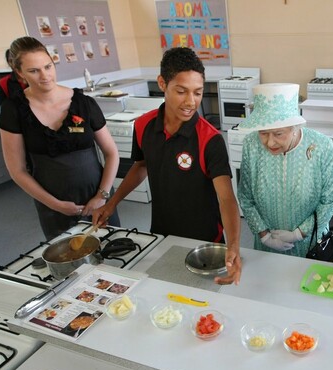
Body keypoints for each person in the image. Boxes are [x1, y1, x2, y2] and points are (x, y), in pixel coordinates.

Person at [92, 47, 242, 285]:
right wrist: (112, 203)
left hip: (204, 239)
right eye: (181, 91)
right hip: (161, 231)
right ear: (162, 83)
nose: (190, 102)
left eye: (198, 93)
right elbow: (141, 166)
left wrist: (233, 245)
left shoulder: (209, 139)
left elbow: (226, 198)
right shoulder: (143, 125)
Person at [0, 36, 120, 240]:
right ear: (19, 73)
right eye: (34, 71)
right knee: (68, 259)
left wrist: (102, 196)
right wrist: (55, 205)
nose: (44, 76)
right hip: (52, 204)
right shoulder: (13, 111)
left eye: (48, 66)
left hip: (98, 197)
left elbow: (111, 153)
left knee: (112, 248)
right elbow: (17, 170)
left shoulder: (84, 103)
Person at [237, 83, 333, 258]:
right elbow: (246, 197)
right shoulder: (251, 145)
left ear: (295, 127)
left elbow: (330, 198)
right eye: (263, 133)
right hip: (267, 247)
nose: (270, 143)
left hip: (310, 246)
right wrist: (264, 236)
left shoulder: (321, 146)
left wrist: (299, 233)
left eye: (278, 134)